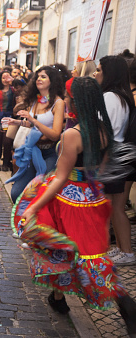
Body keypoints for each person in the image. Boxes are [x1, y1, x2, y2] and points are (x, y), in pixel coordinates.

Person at [13, 77, 136, 337]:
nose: (65, 101)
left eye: (68, 97)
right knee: (73, 249)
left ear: (75, 102)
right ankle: (59, 298)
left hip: (69, 201)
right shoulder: (104, 130)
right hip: (93, 198)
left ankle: (125, 301)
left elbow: (60, 177)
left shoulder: (72, 134)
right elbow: (100, 171)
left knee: (83, 254)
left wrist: (34, 207)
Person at [94, 55, 135, 265]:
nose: (95, 73)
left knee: (109, 207)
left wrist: (101, 164)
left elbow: (105, 135)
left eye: (99, 70)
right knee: (116, 207)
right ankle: (121, 250)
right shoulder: (122, 96)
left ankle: (121, 251)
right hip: (120, 155)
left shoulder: (110, 97)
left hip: (111, 155)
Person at [6, 66, 65, 203]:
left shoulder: (58, 102)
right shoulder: (36, 100)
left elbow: (55, 134)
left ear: (53, 81)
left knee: (41, 193)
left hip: (50, 153)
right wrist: (16, 122)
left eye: (43, 76)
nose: (39, 79)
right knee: (16, 193)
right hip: (33, 150)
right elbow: (33, 125)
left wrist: (32, 120)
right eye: (38, 76)